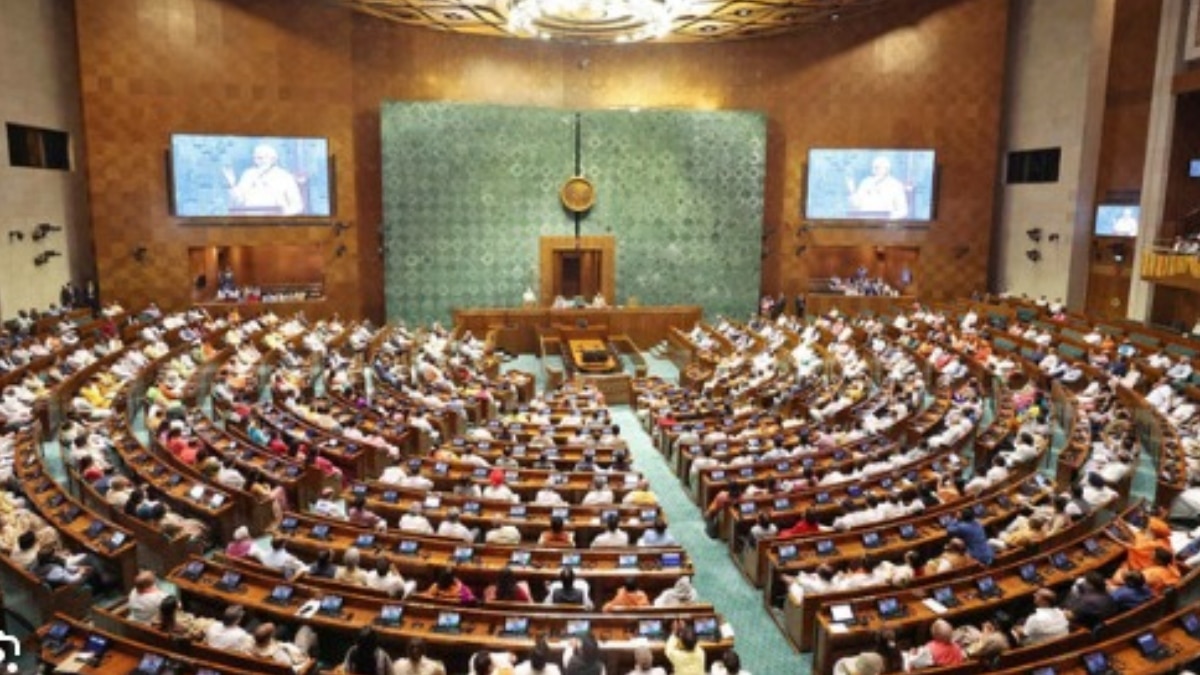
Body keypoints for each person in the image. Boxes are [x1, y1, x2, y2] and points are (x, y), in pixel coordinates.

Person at [224, 143, 304, 216]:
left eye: (265, 157)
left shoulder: (285, 176)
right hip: (250, 219)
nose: (262, 161)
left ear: (273, 159)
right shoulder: (249, 174)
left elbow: (297, 206)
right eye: (258, 158)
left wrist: (281, 215)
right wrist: (232, 184)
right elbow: (238, 201)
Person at [846, 155, 908, 219]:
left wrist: (889, 217)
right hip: (865, 222)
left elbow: (903, 211)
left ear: (887, 169)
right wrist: (852, 190)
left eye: (877, 168)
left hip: (885, 224)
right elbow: (857, 204)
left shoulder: (896, 185)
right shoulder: (866, 182)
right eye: (873, 168)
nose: (874, 171)